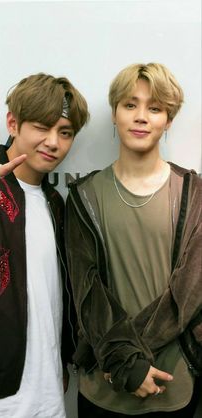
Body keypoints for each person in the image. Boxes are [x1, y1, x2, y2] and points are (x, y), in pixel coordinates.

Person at [65, 63, 202, 417]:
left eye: (154, 108)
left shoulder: (194, 193)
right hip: (103, 388)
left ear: (168, 120)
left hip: (173, 384)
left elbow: (188, 294)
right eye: (130, 105)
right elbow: (86, 291)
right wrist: (128, 365)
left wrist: (127, 360)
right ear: (114, 113)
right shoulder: (83, 196)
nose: (141, 117)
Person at [0, 72, 89, 418]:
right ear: (13, 123)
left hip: (47, 393)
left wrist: (64, 358)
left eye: (65, 133)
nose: (53, 142)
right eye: (41, 126)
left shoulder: (56, 202)